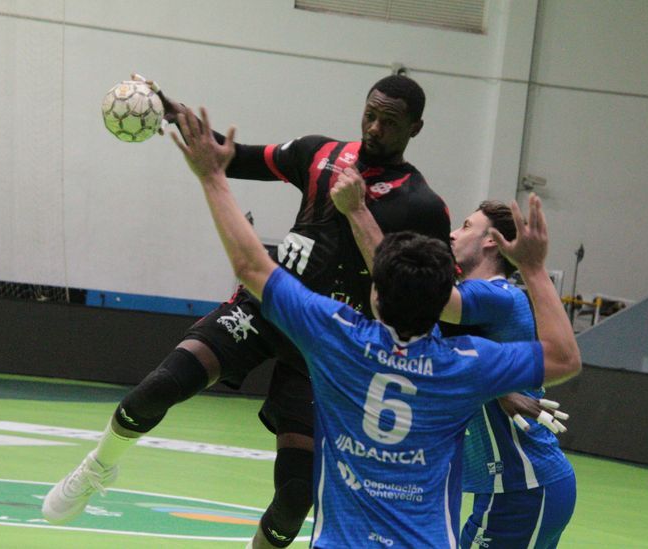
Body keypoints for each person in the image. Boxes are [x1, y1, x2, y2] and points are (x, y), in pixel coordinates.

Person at [42, 74, 451, 549]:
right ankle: (97, 468)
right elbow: (232, 157)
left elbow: (430, 294)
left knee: (295, 499)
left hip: (326, 346)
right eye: (370, 115)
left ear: (415, 129)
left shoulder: (422, 205)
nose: (375, 128)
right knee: (158, 388)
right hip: (266, 309)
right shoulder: (320, 154)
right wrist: (173, 110)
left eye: (390, 122)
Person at [168, 105, 580, 547]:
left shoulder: (337, 338)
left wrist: (213, 178)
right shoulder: (466, 366)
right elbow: (563, 357)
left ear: (377, 293)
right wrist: (535, 268)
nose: (457, 232)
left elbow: (252, 266)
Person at [332, 170, 578, 548]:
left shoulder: (498, 296)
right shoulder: (474, 309)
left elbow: (412, 291)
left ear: (492, 243)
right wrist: (495, 392)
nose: (452, 234)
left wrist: (358, 212)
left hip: (522, 484)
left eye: (466, 227)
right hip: (513, 488)